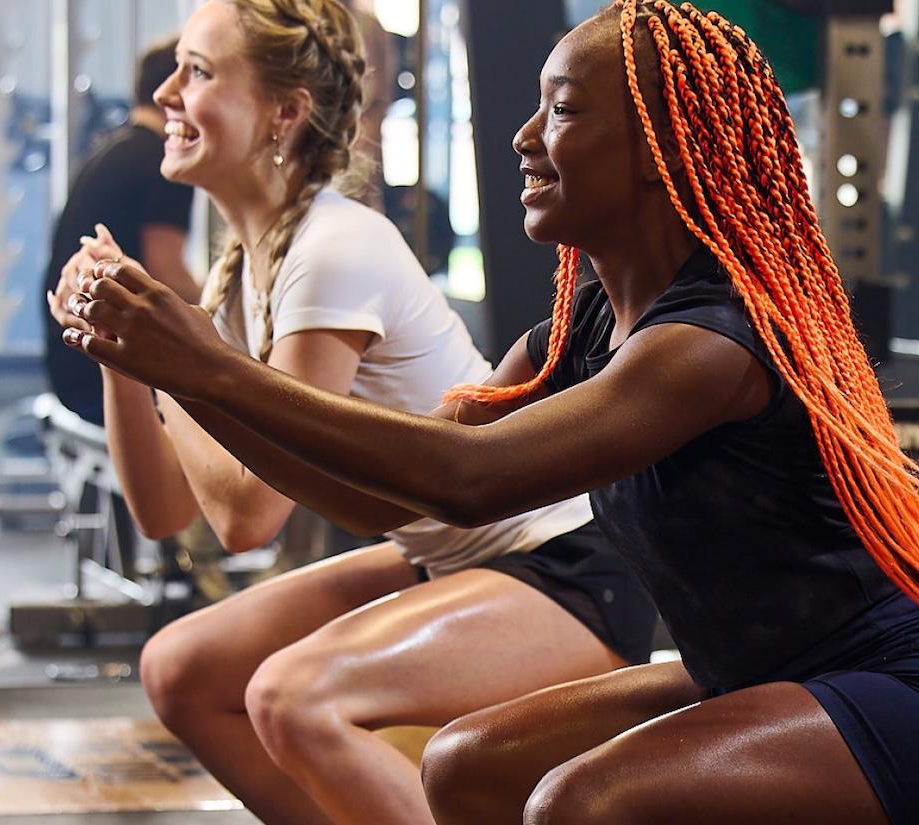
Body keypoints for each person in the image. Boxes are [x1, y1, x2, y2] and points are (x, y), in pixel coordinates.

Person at [62, 0, 919, 822]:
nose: (524, 138)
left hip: (877, 675)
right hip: (745, 665)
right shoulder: (581, 325)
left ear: (663, 151)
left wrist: (200, 366)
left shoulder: (709, 341)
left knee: (581, 802)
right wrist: (170, 368)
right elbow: (391, 495)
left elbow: (471, 480)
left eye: (564, 111)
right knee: (464, 765)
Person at [50, 2, 657, 823]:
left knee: (292, 697)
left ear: (283, 113)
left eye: (198, 70)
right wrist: (122, 356)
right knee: (181, 666)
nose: (165, 92)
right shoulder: (237, 279)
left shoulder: (335, 247)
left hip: (565, 565)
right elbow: (163, 513)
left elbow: (247, 516)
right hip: (445, 554)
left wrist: (171, 354)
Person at [43, 37, 197, 427]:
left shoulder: (112, 150)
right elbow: (167, 271)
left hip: (69, 364)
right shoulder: (164, 161)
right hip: (102, 372)